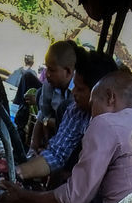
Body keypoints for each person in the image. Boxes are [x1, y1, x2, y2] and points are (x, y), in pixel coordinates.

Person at [0, 70, 132, 203]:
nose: (91, 114)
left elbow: (74, 199)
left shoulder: (107, 123)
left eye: (93, 105)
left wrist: (24, 197)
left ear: (110, 98)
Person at [14, 50, 116, 185]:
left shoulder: (118, 127)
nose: (73, 92)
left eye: (80, 89)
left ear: (102, 93)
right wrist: (18, 172)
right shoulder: (75, 110)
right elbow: (56, 154)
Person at [30, 41, 77, 150]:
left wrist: (49, 122)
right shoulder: (49, 84)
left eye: (52, 70)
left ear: (68, 72)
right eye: (47, 68)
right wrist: (32, 149)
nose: (47, 74)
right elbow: (42, 117)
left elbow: (70, 128)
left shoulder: (78, 92)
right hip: (51, 137)